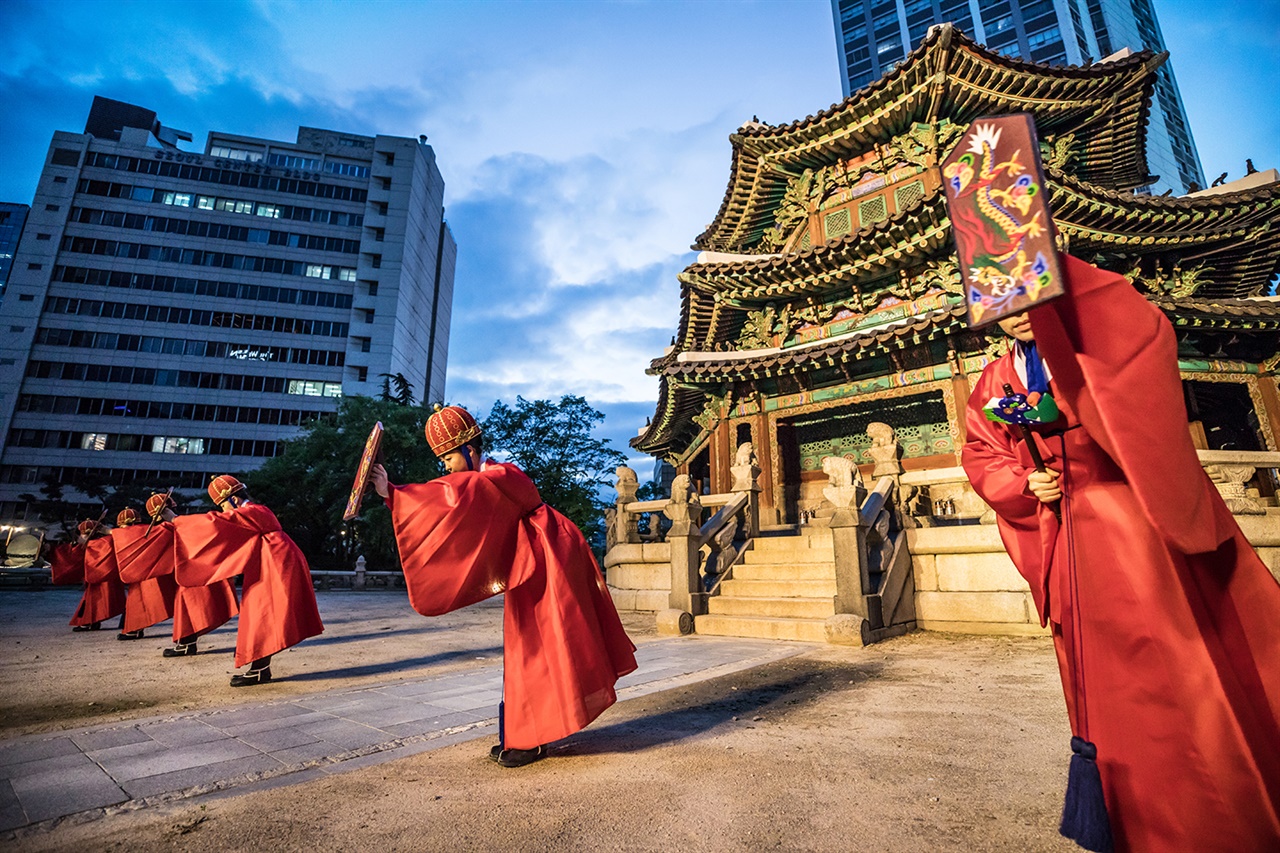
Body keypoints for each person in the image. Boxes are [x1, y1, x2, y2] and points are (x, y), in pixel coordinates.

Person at [961, 254, 1280, 851]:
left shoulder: (1094, 346)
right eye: (1005, 306)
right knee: (1095, 674)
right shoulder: (994, 379)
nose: (1020, 317)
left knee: (1173, 662)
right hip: (1065, 531)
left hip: (1132, 521)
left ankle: (1204, 814)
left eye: (1031, 297)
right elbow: (981, 450)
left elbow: (1143, 355)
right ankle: (1125, 812)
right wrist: (1022, 483)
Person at [371, 405, 637, 768]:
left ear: (469, 449)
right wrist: (393, 495)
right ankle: (527, 733)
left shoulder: (495, 475)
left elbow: (451, 498)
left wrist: (396, 494)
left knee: (536, 645)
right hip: (542, 554)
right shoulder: (492, 477)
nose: (446, 466)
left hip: (547, 555)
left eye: (448, 456)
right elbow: (457, 506)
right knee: (536, 644)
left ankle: (531, 738)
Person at [173, 475, 323, 686]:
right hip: (272, 562)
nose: (224, 510)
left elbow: (216, 523)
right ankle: (260, 668)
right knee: (260, 614)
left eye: (223, 504)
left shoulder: (252, 511)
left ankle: (259, 669)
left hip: (276, 564)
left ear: (233, 499)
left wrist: (176, 521)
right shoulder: (256, 512)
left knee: (261, 614)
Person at [126, 492, 241, 659]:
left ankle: (186, 644)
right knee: (188, 609)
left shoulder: (171, 527)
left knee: (187, 609)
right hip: (190, 572)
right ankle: (186, 643)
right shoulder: (178, 526)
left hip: (192, 573)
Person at [48, 518, 126, 632]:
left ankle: (89, 622)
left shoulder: (104, 542)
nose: (81, 537)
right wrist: (51, 551)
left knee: (96, 601)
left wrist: (86, 543)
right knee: (94, 601)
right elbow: (71, 553)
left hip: (105, 577)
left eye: (83, 534)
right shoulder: (91, 544)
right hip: (98, 578)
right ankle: (92, 622)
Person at [112, 507, 178, 640]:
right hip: (138, 575)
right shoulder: (130, 535)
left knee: (140, 602)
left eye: (132, 525)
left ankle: (133, 630)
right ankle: (133, 628)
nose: (131, 528)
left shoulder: (150, 531)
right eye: (127, 525)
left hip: (150, 573)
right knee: (136, 602)